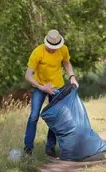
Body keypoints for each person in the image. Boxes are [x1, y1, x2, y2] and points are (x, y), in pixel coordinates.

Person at [24, 29, 79, 157]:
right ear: (46, 43)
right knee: (34, 116)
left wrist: (72, 76)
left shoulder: (63, 49)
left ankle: (50, 148)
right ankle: (28, 148)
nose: (53, 49)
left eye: (56, 47)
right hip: (40, 87)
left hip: (56, 87)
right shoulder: (38, 52)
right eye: (51, 47)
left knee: (56, 117)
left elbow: (67, 63)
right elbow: (28, 75)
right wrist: (41, 87)